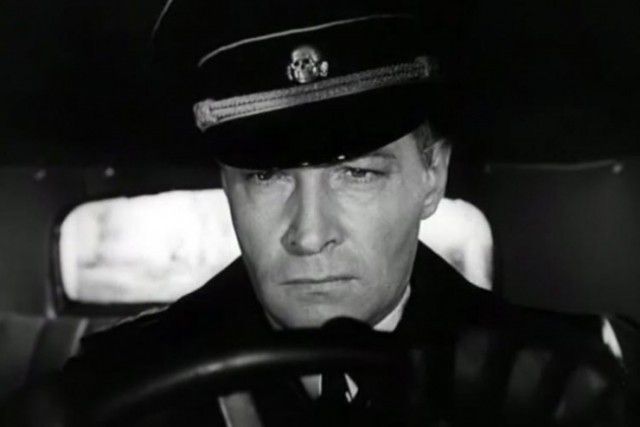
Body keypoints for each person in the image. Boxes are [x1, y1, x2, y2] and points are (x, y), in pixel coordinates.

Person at [53, 1, 636, 426]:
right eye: (267, 176)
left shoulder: (562, 384)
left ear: (431, 176)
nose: (310, 235)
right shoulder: (118, 386)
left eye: (357, 174)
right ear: (226, 185)